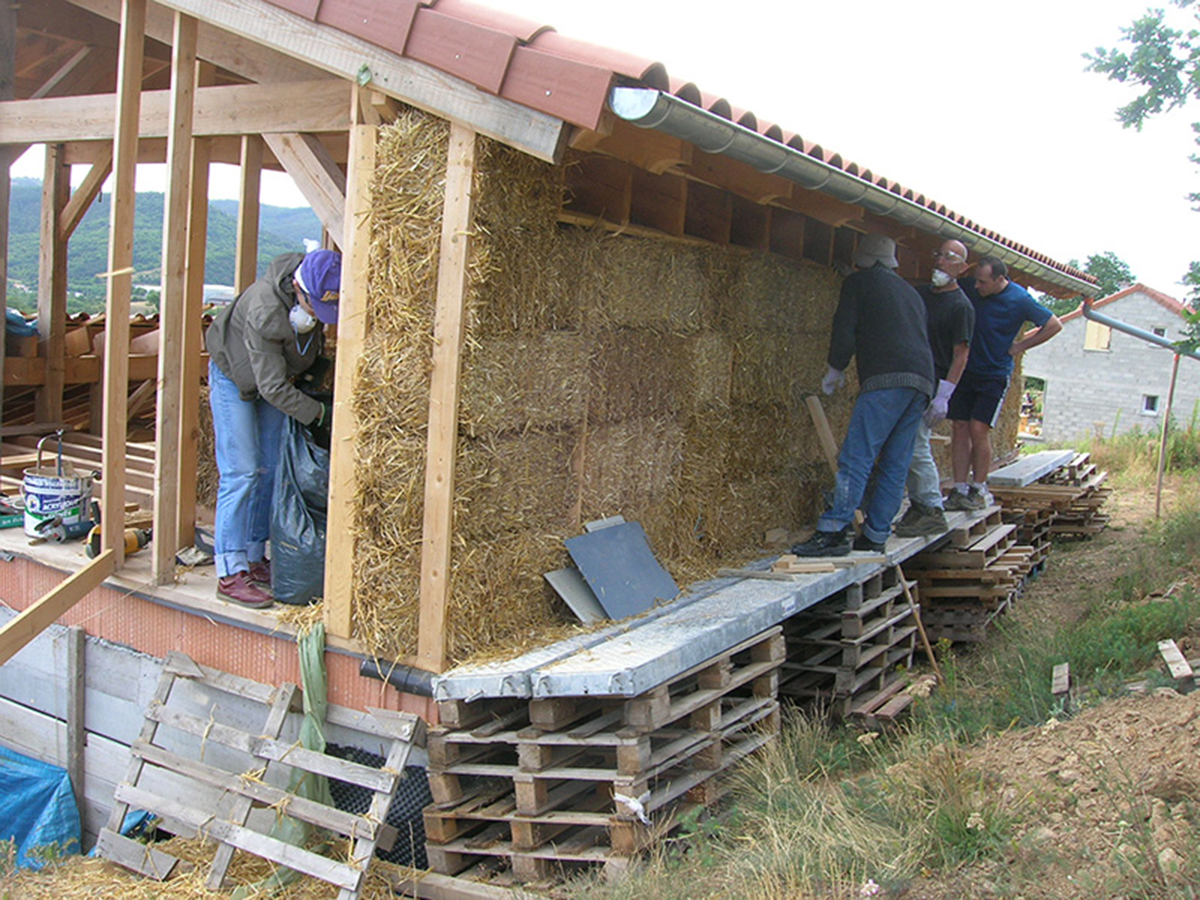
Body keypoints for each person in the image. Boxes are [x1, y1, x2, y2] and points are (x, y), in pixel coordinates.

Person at [205, 250, 340, 607]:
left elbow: (289, 369)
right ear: (298, 288)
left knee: (273, 470)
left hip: (273, 377)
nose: (316, 316)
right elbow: (272, 388)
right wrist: (319, 414)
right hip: (235, 377)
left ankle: (253, 555)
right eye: (313, 308)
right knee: (242, 472)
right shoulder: (266, 309)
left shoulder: (319, 286)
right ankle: (229, 571)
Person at [792, 234, 934, 557]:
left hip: (888, 378)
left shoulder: (859, 283)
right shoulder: (909, 292)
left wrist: (834, 368)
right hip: (923, 382)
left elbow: (845, 327)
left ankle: (833, 531)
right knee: (896, 461)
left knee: (857, 456)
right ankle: (875, 534)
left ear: (863, 261)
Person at [945, 255, 1061, 510]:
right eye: (976, 281)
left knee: (978, 429)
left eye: (983, 282)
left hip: (993, 375)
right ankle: (959, 488)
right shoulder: (971, 287)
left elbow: (1054, 325)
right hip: (965, 371)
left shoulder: (1019, 299)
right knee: (960, 427)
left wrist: (1019, 346)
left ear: (1000, 279)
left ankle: (979, 487)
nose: (977, 287)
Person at [894, 239, 974, 536]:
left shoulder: (960, 307)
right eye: (938, 255)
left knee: (916, 444)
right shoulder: (921, 295)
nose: (940, 262)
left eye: (949, 257)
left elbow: (961, 354)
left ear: (963, 268)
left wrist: (944, 396)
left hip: (931, 386)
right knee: (900, 444)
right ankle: (916, 506)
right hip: (907, 379)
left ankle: (931, 509)